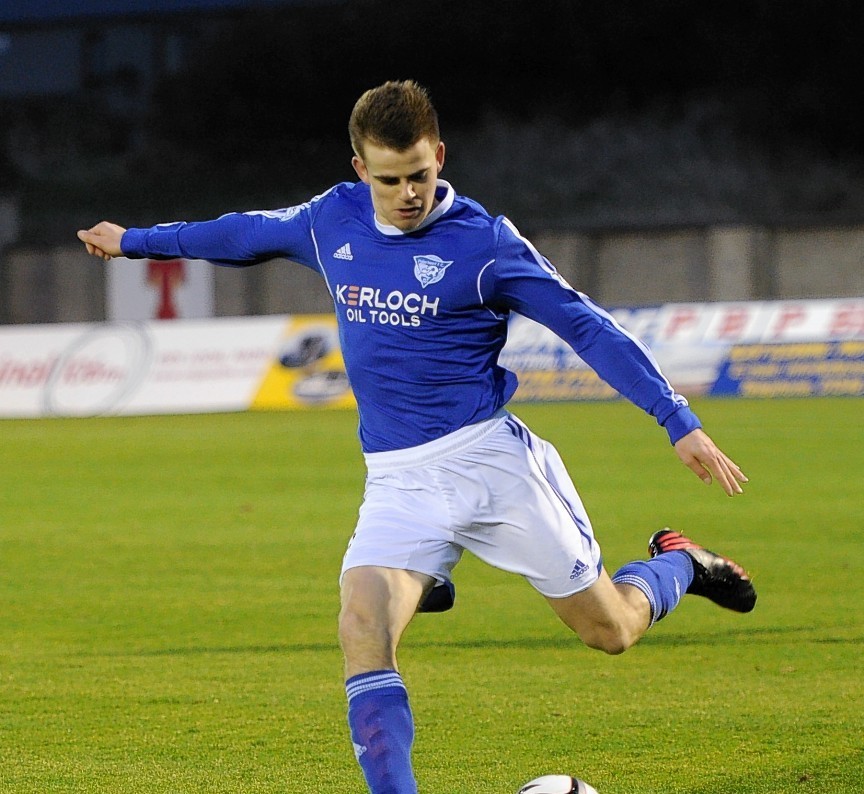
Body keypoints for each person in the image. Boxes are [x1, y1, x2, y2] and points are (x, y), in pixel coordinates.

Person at [78, 80, 756, 794]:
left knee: (611, 631)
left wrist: (677, 420)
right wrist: (134, 243)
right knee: (360, 627)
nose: (408, 194)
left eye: (421, 176)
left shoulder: (486, 244)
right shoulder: (329, 221)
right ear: (359, 169)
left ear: (440, 155)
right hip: (400, 481)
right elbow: (241, 233)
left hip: (493, 467)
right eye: (390, 179)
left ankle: (681, 563)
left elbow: (585, 325)